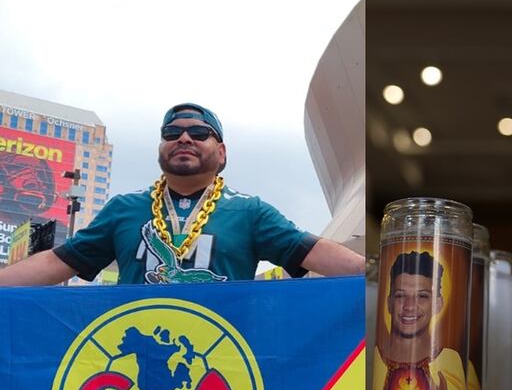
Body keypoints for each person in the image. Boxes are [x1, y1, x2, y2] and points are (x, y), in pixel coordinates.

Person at [0, 103, 366, 285]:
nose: (184, 138)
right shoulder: (123, 209)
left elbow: (314, 252)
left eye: (200, 132)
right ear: (161, 147)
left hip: (220, 366)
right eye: (172, 132)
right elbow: (56, 262)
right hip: (131, 361)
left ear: (221, 152)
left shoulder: (251, 211)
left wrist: (387, 275)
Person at [369, 251, 465, 390]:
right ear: (389, 302)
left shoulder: (450, 363)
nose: (410, 306)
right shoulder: (373, 362)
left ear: (438, 303)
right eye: (401, 296)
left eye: (422, 296)